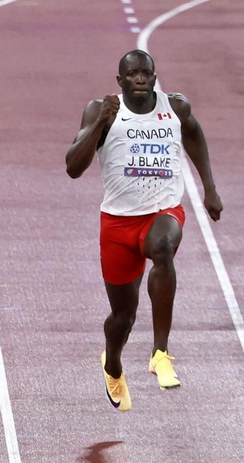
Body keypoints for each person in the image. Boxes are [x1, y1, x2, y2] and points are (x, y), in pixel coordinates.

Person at [65, 49, 221, 410]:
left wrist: (209, 188)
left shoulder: (175, 107)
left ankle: (160, 353)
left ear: (154, 77)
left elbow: (194, 134)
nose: (139, 79)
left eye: (145, 73)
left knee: (164, 248)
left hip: (162, 210)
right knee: (123, 317)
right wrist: (100, 123)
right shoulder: (101, 110)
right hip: (118, 224)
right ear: (120, 81)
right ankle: (113, 364)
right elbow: (73, 166)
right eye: (131, 74)